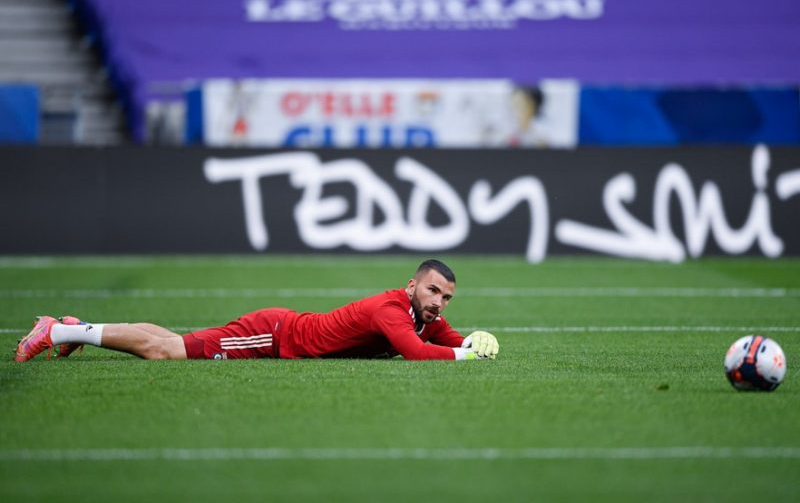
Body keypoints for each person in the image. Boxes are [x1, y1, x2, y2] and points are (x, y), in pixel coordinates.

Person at [15, 259, 499, 362]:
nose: (439, 303)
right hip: (273, 336)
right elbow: (417, 354)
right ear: (413, 284)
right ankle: (54, 331)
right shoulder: (391, 309)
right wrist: (468, 358)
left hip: (279, 329)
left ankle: (80, 328)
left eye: (446, 298)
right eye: (434, 292)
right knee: (166, 352)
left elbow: (451, 342)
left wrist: (476, 342)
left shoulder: (425, 314)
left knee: (174, 339)